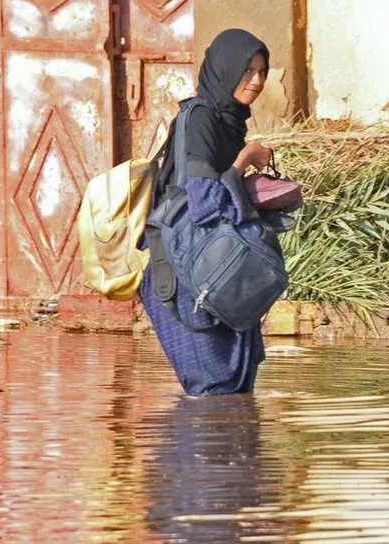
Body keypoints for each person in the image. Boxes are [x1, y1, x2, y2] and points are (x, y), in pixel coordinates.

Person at [139, 29, 276, 396]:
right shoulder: (201, 120)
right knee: (212, 395)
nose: (257, 81)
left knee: (236, 396)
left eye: (262, 71)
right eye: (247, 71)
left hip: (221, 272)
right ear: (225, 69)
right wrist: (245, 160)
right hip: (188, 278)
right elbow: (204, 202)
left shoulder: (230, 121)